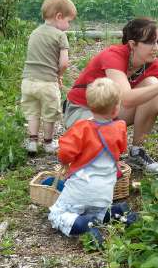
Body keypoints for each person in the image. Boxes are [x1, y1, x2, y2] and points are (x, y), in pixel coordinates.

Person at [63, 17, 158, 174]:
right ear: (132, 44)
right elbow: (126, 99)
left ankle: (137, 152)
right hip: (82, 109)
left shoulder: (152, 63)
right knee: (92, 145)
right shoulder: (113, 56)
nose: (156, 47)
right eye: (149, 42)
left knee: (154, 84)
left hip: (110, 110)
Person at [48, 78, 137, 245]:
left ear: (89, 105)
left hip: (81, 187)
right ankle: (116, 212)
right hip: (105, 190)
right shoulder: (120, 127)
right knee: (97, 213)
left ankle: (83, 225)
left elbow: (65, 153)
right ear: (117, 108)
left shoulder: (82, 128)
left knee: (56, 214)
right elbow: (121, 149)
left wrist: (66, 162)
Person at [21, 0, 76, 154]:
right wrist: (59, 75)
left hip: (27, 82)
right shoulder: (60, 36)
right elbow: (64, 63)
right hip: (47, 83)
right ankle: (47, 143)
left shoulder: (34, 33)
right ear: (59, 16)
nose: (69, 26)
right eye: (68, 21)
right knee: (49, 113)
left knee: (32, 111)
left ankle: (32, 142)